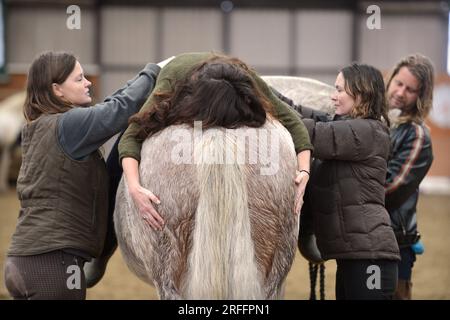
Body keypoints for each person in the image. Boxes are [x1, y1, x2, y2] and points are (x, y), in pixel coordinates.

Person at [85, 52, 314, 287]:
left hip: (235, 77)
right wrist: (133, 187)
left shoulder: (250, 81)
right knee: (118, 151)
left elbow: (295, 124)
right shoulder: (170, 82)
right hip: (172, 74)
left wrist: (305, 172)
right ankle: (102, 250)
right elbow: (131, 139)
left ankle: (308, 233)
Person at [3, 51, 165, 299]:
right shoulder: (68, 125)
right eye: (79, 79)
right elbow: (119, 110)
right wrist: (154, 71)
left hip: (23, 262)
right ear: (57, 89)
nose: (88, 82)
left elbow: (112, 103)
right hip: (56, 267)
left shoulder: (42, 125)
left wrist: (147, 72)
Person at [279, 63, 401, 299]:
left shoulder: (368, 132)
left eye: (340, 90)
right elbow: (294, 110)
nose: (333, 97)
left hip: (370, 261)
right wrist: (259, 87)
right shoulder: (345, 127)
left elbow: (309, 131)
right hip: (355, 260)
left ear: (361, 92)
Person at [384, 54, 434, 300]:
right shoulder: (380, 123)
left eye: (410, 89)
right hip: (365, 238)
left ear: (420, 97)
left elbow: (391, 190)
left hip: (396, 243)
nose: (401, 92)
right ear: (390, 79)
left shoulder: (417, 137)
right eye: (398, 83)